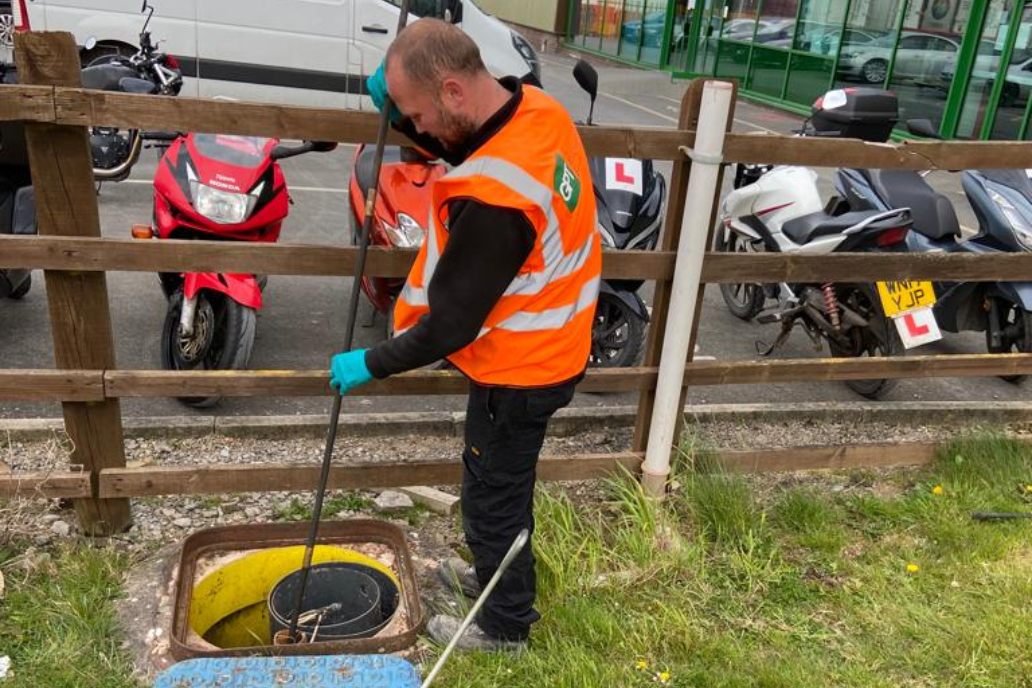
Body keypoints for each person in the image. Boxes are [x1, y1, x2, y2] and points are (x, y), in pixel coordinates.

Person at [329, 18, 600, 652]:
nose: (417, 133)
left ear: (453, 90)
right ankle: (490, 579)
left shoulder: (496, 203)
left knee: (492, 495)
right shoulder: (534, 108)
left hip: (522, 368)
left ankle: (505, 625)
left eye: (417, 116)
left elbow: (449, 327)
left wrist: (371, 361)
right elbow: (458, 142)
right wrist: (396, 107)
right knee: (494, 485)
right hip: (553, 340)